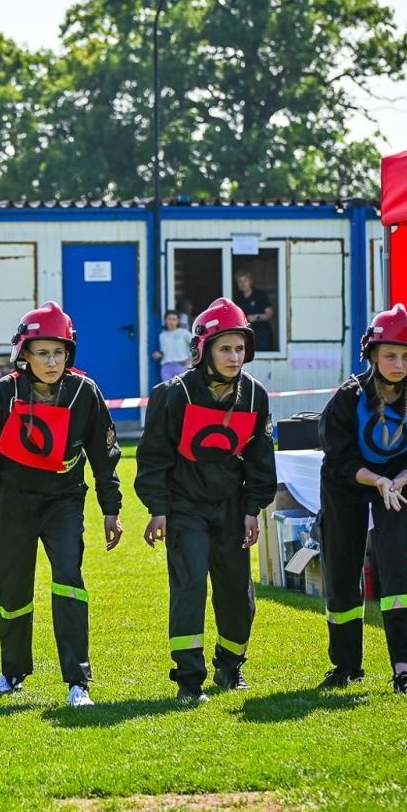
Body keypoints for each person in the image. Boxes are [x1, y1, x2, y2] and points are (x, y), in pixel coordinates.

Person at [0, 301, 123, 708]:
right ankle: (12, 672)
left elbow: (104, 456)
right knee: (11, 590)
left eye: (59, 352)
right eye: (43, 353)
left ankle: (78, 682)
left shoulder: (85, 393)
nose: (52, 362)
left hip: (63, 502)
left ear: (69, 354)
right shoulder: (2, 394)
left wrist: (111, 509)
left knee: (69, 580)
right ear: (24, 354)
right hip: (11, 503)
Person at [136, 299, 277, 704]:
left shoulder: (255, 395)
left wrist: (252, 509)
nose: (234, 357)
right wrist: (158, 509)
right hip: (185, 508)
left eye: (240, 348)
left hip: (232, 509)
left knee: (237, 594)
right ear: (204, 350)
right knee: (190, 586)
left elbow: (260, 459)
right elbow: (153, 458)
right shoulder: (173, 394)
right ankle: (189, 679)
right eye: (225, 348)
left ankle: (230, 667)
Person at [317, 303, 407, 697]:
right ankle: (346, 667)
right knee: (343, 572)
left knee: (396, 572)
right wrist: (377, 480)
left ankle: (403, 670)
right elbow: (337, 459)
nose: (398, 364)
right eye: (390, 355)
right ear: (372, 355)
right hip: (348, 487)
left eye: (406, 356)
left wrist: (399, 480)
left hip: (399, 488)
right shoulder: (347, 397)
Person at [233, 272, 276, 353]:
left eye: (245, 280)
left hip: (262, 335)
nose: (242, 284)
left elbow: (269, 314)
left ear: (251, 281)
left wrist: (256, 317)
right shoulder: (237, 297)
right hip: (245, 335)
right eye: (240, 281)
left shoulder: (259, 295)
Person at [151, 309, 194, 383]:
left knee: (182, 388)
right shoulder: (162, 335)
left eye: (174, 319)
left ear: (178, 321)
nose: (171, 322)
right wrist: (159, 354)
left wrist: (190, 359)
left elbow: (195, 345)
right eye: (169, 319)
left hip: (182, 367)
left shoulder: (184, 333)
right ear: (165, 321)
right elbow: (165, 351)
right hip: (166, 367)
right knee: (168, 388)